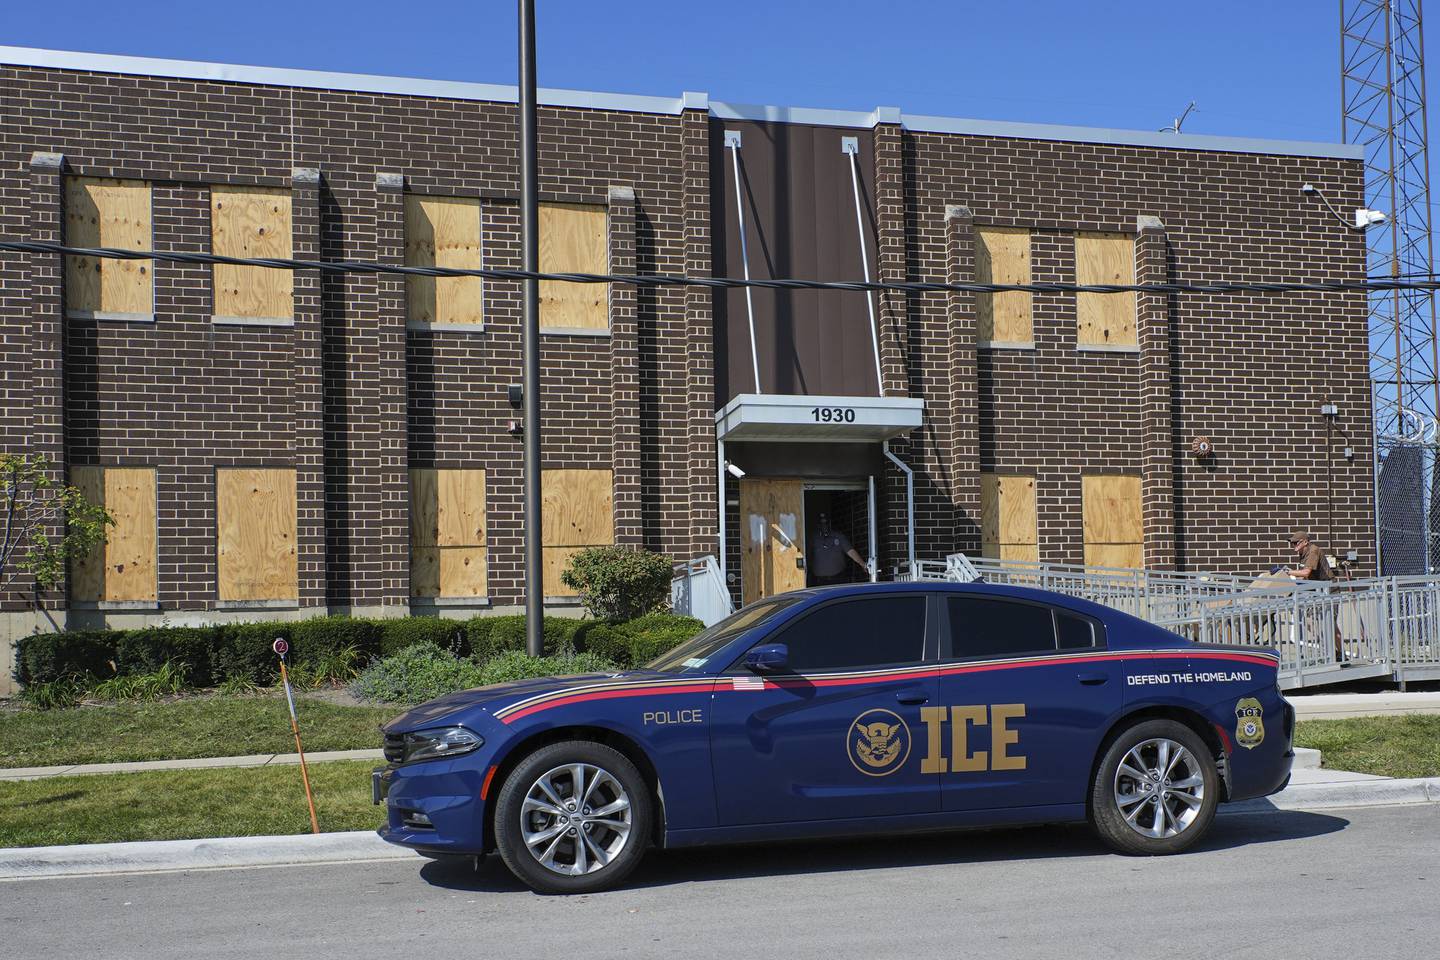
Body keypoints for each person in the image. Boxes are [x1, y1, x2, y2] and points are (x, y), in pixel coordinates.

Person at [1287, 530, 1342, 662]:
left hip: (1329, 591)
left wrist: (1287, 572)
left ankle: (1339, 653)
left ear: (1305, 542)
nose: (1293, 545)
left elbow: (1306, 573)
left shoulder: (1313, 550)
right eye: (1291, 543)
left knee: (1330, 624)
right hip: (1317, 592)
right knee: (1312, 621)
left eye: (1296, 542)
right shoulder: (1303, 552)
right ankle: (1329, 651)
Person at [808, 511, 869, 586]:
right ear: (818, 525)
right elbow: (808, 555)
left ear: (830, 523)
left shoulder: (838, 536)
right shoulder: (813, 538)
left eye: (826, 523)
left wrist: (862, 564)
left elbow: (850, 551)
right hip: (819, 582)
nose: (824, 526)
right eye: (821, 523)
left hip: (837, 580)